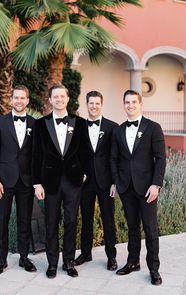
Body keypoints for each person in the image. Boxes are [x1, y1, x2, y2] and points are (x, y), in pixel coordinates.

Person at [32, 83, 89, 279]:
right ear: (50, 100)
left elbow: (86, 151)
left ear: (67, 98)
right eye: (55, 97)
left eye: (62, 96)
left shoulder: (80, 123)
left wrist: (84, 173)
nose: (59, 100)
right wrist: (37, 183)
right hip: (50, 182)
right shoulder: (40, 124)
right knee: (51, 222)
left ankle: (69, 262)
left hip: (73, 182)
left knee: (72, 222)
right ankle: (52, 264)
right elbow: (35, 156)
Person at [110, 90, 166, 285]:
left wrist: (156, 184)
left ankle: (154, 268)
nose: (130, 105)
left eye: (134, 102)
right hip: (126, 187)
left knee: (150, 230)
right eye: (127, 102)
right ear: (123, 105)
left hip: (147, 188)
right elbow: (113, 159)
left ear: (140, 103)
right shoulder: (118, 130)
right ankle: (133, 262)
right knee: (132, 227)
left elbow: (160, 159)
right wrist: (117, 182)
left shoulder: (153, 127)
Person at [0, 85, 36, 274]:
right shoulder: (0, 123)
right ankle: (1, 259)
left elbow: (36, 154)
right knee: (2, 220)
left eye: (22, 98)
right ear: (11, 100)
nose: (19, 101)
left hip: (26, 181)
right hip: (4, 181)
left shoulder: (34, 123)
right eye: (16, 98)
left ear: (27, 101)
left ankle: (24, 258)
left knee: (25, 220)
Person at [74, 91, 118, 271]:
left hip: (106, 182)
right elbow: (75, 155)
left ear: (102, 104)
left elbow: (116, 156)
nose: (94, 106)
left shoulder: (112, 127)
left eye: (97, 103)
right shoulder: (79, 126)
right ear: (87, 104)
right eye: (91, 103)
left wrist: (115, 182)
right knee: (86, 219)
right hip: (85, 181)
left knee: (108, 219)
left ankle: (111, 257)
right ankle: (86, 253)